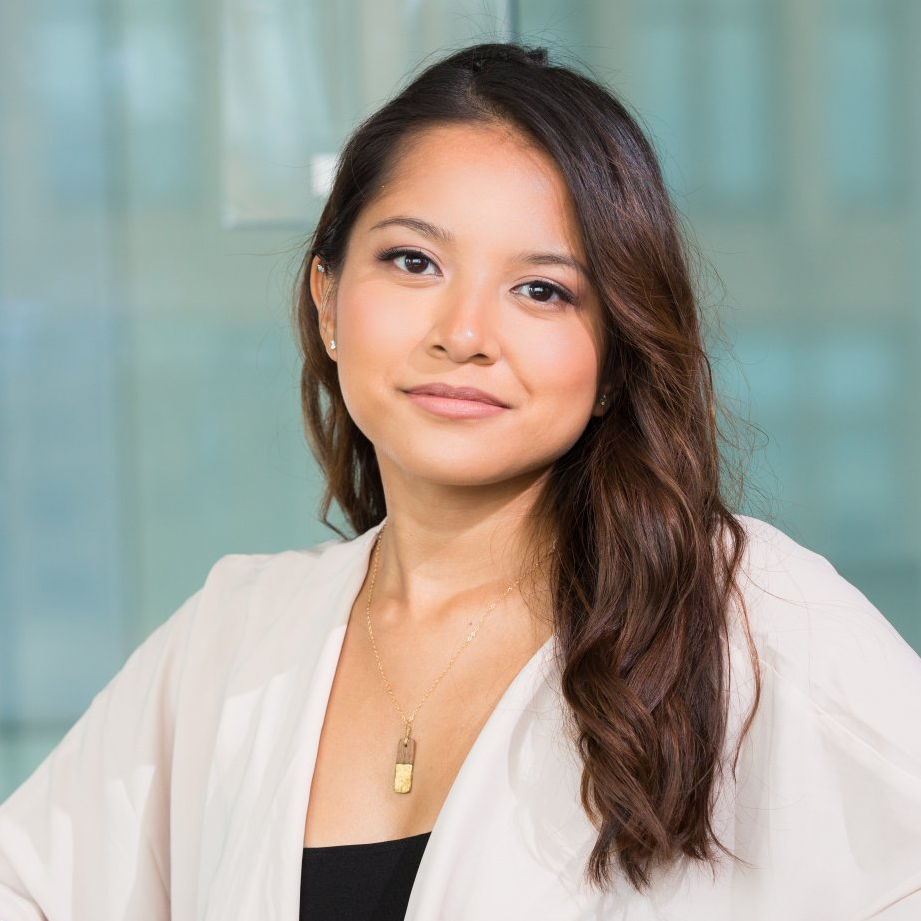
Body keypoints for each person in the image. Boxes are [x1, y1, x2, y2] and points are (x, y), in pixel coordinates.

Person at [1, 41, 920, 921]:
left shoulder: (752, 621)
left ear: (614, 356)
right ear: (327, 302)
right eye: (413, 261)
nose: (464, 332)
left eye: (542, 290)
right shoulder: (234, 635)